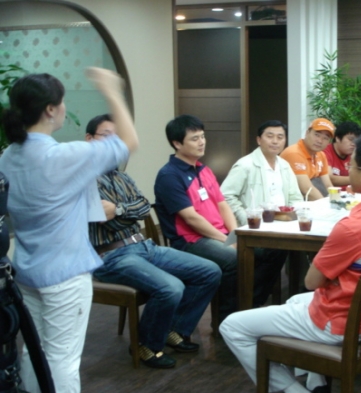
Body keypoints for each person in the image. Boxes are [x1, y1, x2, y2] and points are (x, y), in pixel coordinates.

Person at [220, 133, 361, 393]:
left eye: (352, 165)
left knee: (232, 326)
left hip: (342, 324)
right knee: (294, 301)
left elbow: (312, 282)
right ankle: (317, 384)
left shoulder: (353, 226)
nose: (347, 169)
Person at [0, 68, 137, 393]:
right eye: (61, 102)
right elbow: (129, 142)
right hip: (65, 276)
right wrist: (111, 91)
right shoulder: (62, 156)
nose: (64, 108)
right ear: (50, 109)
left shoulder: (8, 156)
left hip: (28, 272)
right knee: (62, 360)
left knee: (34, 353)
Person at [86, 114, 221, 369]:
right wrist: (126, 211)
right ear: (89, 139)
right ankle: (145, 344)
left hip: (144, 246)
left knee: (209, 271)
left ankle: (174, 330)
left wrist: (119, 209)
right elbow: (106, 220)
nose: (114, 143)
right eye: (107, 136)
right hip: (111, 255)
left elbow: (143, 206)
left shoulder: (122, 177)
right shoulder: (83, 179)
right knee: (171, 287)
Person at [154, 115, 287, 322]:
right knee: (234, 258)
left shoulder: (203, 169)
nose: (201, 142)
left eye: (202, 137)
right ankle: (225, 318)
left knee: (273, 249)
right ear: (177, 143)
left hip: (219, 235)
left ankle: (250, 304)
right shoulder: (169, 175)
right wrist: (226, 240)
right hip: (191, 240)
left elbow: (223, 205)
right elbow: (191, 219)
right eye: (195, 139)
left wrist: (234, 234)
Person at [221, 120, 303, 226]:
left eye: (280, 137)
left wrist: (290, 218)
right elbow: (225, 196)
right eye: (270, 136)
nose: (275, 141)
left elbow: (295, 197)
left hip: (283, 225)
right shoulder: (245, 165)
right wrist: (246, 218)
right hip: (254, 226)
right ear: (259, 140)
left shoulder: (285, 166)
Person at [280, 118, 335, 200]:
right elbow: (307, 190)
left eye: (325, 138)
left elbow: (328, 185)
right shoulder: (294, 153)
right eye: (317, 135)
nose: (320, 141)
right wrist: (327, 206)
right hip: (290, 201)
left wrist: (338, 202)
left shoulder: (321, 155)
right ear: (307, 133)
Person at [322, 121, 361, 189]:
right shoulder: (325, 151)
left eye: (356, 141)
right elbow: (330, 178)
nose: (353, 144)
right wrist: (357, 180)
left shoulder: (354, 154)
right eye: (351, 139)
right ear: (338, 138)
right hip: (331, 193)